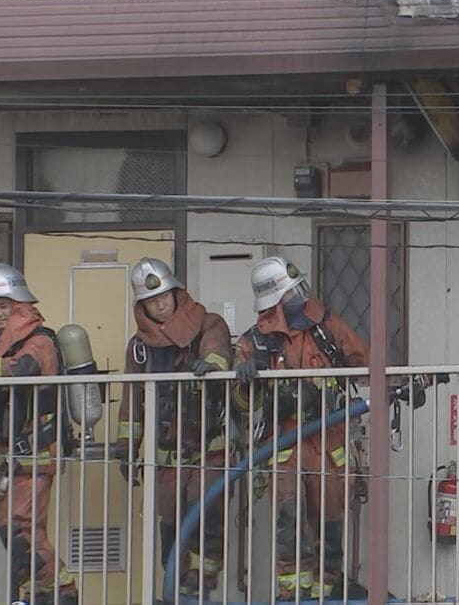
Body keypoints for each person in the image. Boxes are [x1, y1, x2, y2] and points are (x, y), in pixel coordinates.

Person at [233, 256, 367, 600]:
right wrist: (246, 384)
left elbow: (365, 362)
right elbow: (240, 407)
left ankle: (326, 591)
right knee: (289, 524)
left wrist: (402, 382)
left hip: (329, 442)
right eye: (292, 294)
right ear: (273, 301)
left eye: (299, 290)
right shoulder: (254, 344)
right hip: (284, 445)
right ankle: (293, 596)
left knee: (331, 527)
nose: (301, 298)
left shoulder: (325, 327)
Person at [115, 258, 233, 598]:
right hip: (166, 456)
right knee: (168, 524)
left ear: (177, 292)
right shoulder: (139, 348)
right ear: (143, 306)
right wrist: (127, 448)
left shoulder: (209, 324)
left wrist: (210, 367)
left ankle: (199, 590)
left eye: (165, 295)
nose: (160, 303)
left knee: (205, 514)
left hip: (209, 449)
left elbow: (219, 354)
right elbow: (132, 402)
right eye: (152, 300)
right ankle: (173, 588)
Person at [0, 263, 78, 605]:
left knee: (21, 529)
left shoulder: (39, 341)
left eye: (4, 305)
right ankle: (39, 593)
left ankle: (61, 592)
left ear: (19, 304)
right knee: (13, 528)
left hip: (35, 454)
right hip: (11, 458)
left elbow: (23, 370)